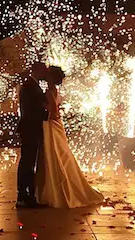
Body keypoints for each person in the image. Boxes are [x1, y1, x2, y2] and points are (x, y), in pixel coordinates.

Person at [36, 66, 104, 208]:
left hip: (51, 124)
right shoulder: (55, 90)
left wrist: (42, 105)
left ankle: (56, 186)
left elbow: (53, 111)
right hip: (55, 124)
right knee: (59, 153)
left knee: (53, 152)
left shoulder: (49, 91)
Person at [16, 63, 49, 208]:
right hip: (30, 128)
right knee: (27, 162)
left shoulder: (32, 85)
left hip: (31, 128)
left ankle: (28, 195)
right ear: (36, 70)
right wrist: (48, 114)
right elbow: (32, 109)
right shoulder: (29, 86)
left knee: (29, 162)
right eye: (42, 70)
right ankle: (23, 196)